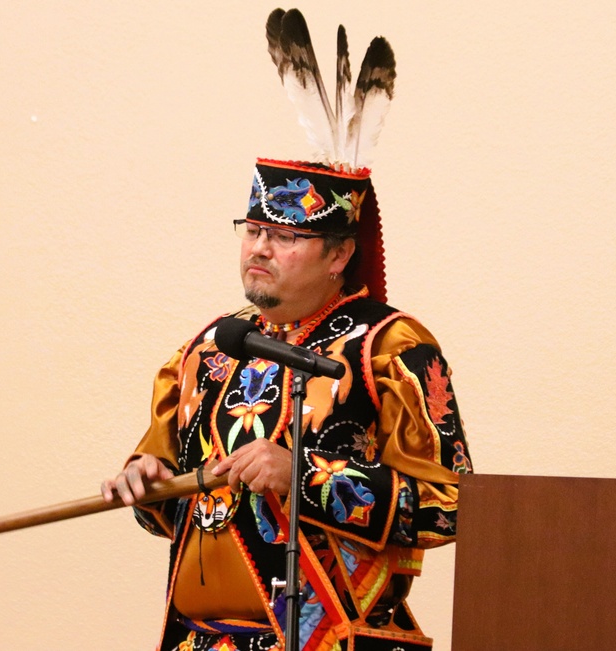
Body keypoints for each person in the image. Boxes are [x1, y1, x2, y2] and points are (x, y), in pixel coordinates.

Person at [101, 10, 472, 651]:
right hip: (198, 639)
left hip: (334, 640)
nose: (260, 248)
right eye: (253, 231)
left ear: (338, 255)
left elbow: (455, 505)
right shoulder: (209, 349)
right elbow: (176, 502)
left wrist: (305, 477)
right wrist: (145, 483)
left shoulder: (390, 347)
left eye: (286, 236)